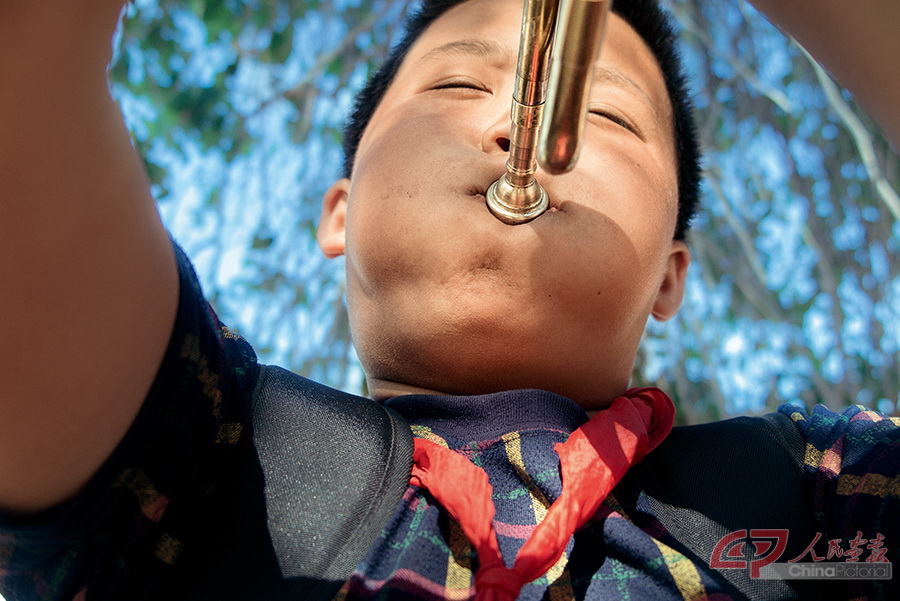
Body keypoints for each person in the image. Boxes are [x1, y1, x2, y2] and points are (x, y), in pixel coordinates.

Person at [0, 0, 898, 600]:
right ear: (342, 210)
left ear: (671, 274)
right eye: (457, 85)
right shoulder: (201, 451)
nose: (522, 125)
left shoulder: (811, 493)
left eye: (609, 118)